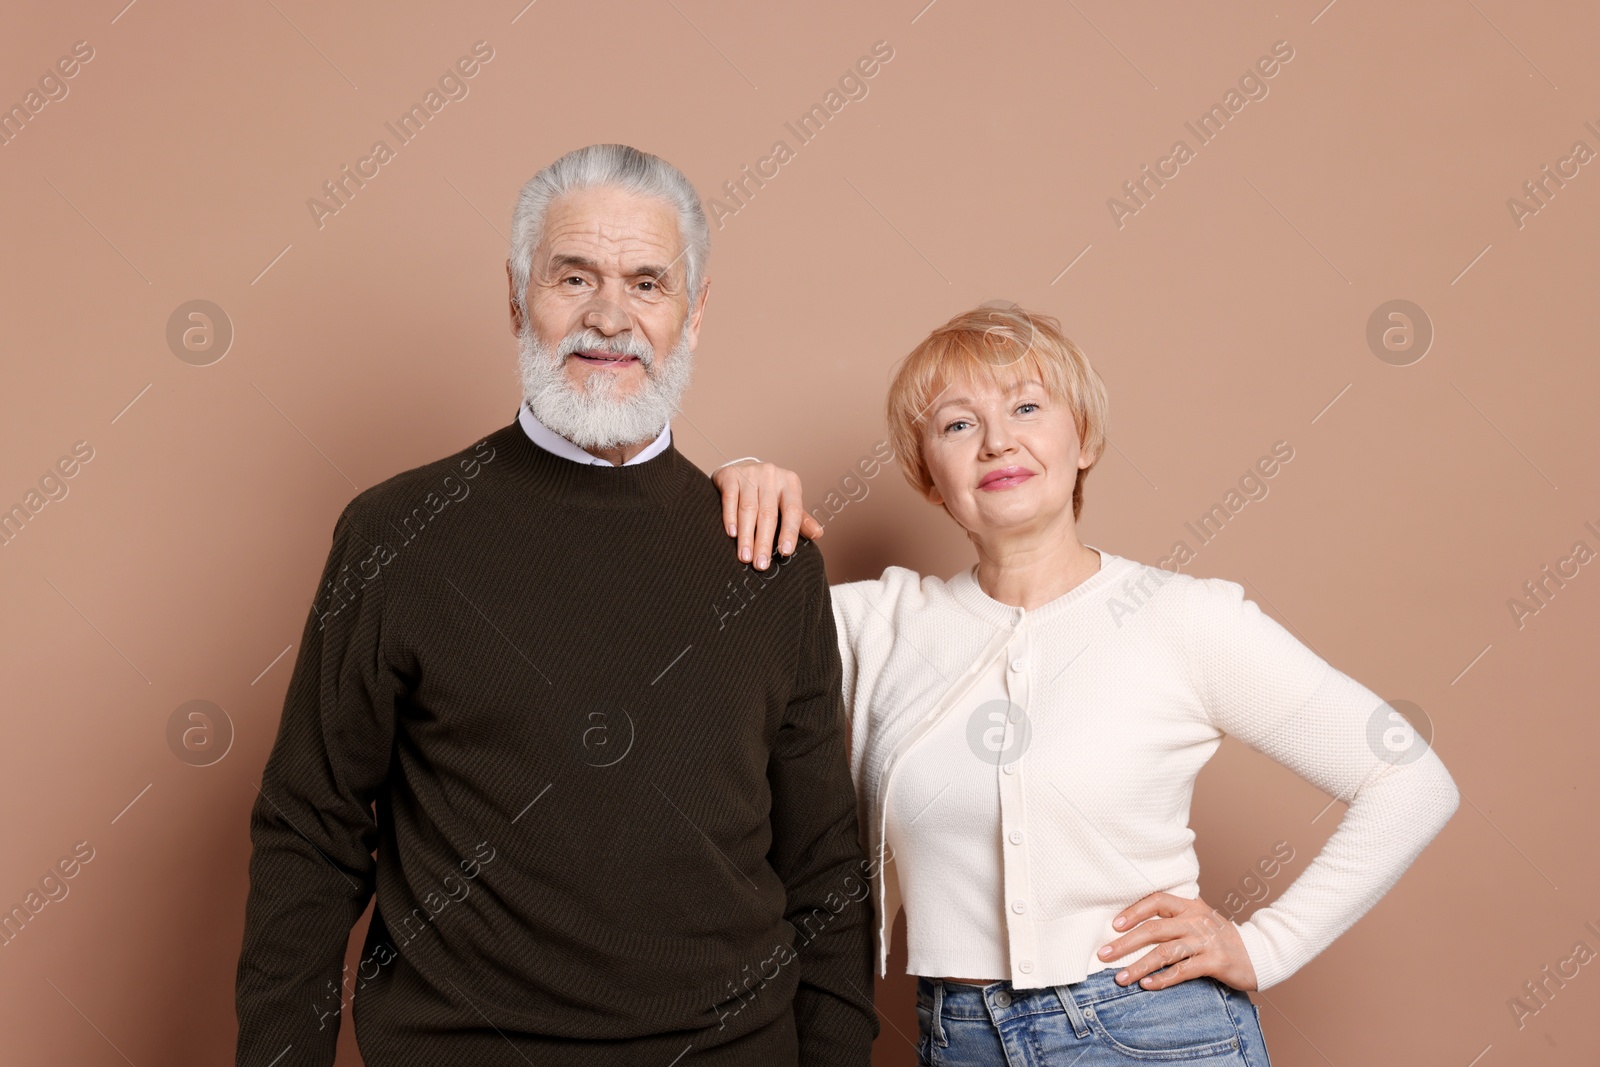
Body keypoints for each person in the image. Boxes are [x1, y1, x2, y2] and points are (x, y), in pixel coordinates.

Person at [234, 144, 878, 1067]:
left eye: (647, 284)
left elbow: (822, 872)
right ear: (514, 296)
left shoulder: (767, 557)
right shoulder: (398, 533)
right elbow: (311, 831)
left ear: (693, 315)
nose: (609, 317)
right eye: (574, 276)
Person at [713, 303, 1460, 1066]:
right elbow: (690, 618)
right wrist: (737, 485)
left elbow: (1410, 780)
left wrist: (1263, 946)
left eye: (1028, 407)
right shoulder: (875, 621)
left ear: (1085, 440)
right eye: (957, 424)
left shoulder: (1185, 618)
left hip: (1156, 1032)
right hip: (957, 1037)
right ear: (928, 477)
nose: (998, 439)